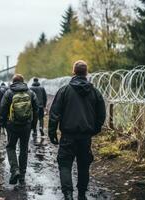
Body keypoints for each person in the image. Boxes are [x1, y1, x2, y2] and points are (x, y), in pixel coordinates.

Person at [48, 60, 106, 200]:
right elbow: (101, 114)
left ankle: (68, 194)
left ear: (73, 72)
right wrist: (94, 129)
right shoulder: (94, 92)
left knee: (65, 164)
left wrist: (52, 132)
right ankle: (81, 194)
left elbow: (54, 113)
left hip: (68, 135)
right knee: (83, 165)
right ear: (86, 73)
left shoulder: (64, 90)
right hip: (85, 136)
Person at [0, 74, 38, 185]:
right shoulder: (30, 93)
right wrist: (33, 125)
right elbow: (36, 110)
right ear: (23, 81)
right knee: (24, 149)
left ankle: (14, 170)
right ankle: (22, 175)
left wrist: (4, 124)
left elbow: (2, 109)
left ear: (13, 82)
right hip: (26, 125)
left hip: (12, 125)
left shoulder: (8, 93)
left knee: (11, 147)